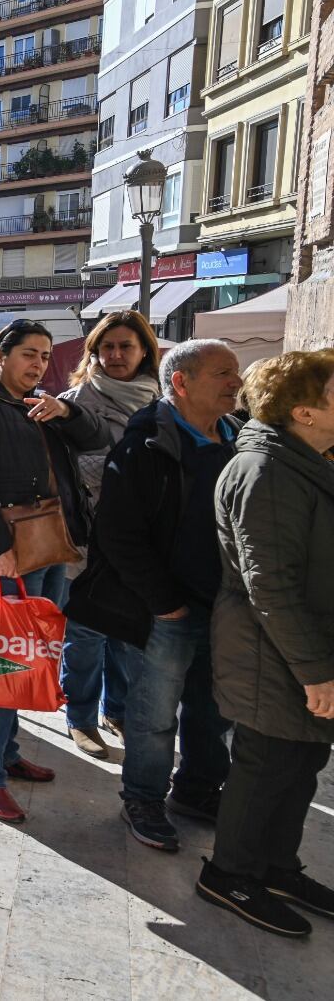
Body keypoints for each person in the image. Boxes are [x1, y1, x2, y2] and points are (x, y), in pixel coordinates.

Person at [69, 339, 240, 851]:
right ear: (182, 383)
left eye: (235, 372)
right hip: (168, 608)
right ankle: (143, 797)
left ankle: (196, 790)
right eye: (222, 373)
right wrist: (163, 601)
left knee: (213, 709)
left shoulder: (237, 437)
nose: (236, 381)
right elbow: (119, 535)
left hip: (222, 606)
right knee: (154, 713)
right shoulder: (146, 443)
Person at [0, 319, 109, 823]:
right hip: (8, 551)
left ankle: (8, 754)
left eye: (43, 355)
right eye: (28, 354)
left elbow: (95, 437)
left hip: (49, 544)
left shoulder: (40, 405)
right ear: (0, 355)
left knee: (30, 653)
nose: (38, 363)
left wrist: (65, 410)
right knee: (4, 659)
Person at [200, 349, 334, 937]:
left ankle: (275, 866)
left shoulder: (302, 460)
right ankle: (228, 873)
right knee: (266, 764)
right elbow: (270, 583)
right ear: (304, 412)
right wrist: (315, 671)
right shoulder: (266, 472)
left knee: (302, 759)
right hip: (271, 652)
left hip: (299, 647)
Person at [53, 311, 162, 759]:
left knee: (131, 633)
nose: (116, 355)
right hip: (87, 541)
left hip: (142, 542)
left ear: (144, 353)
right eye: (107, 347)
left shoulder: (163, 400)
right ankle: (80, 717)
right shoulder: (73, 401)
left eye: (126, 347)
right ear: (94, 352)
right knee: (86, 636)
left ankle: (115, 709)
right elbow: (60, 471)